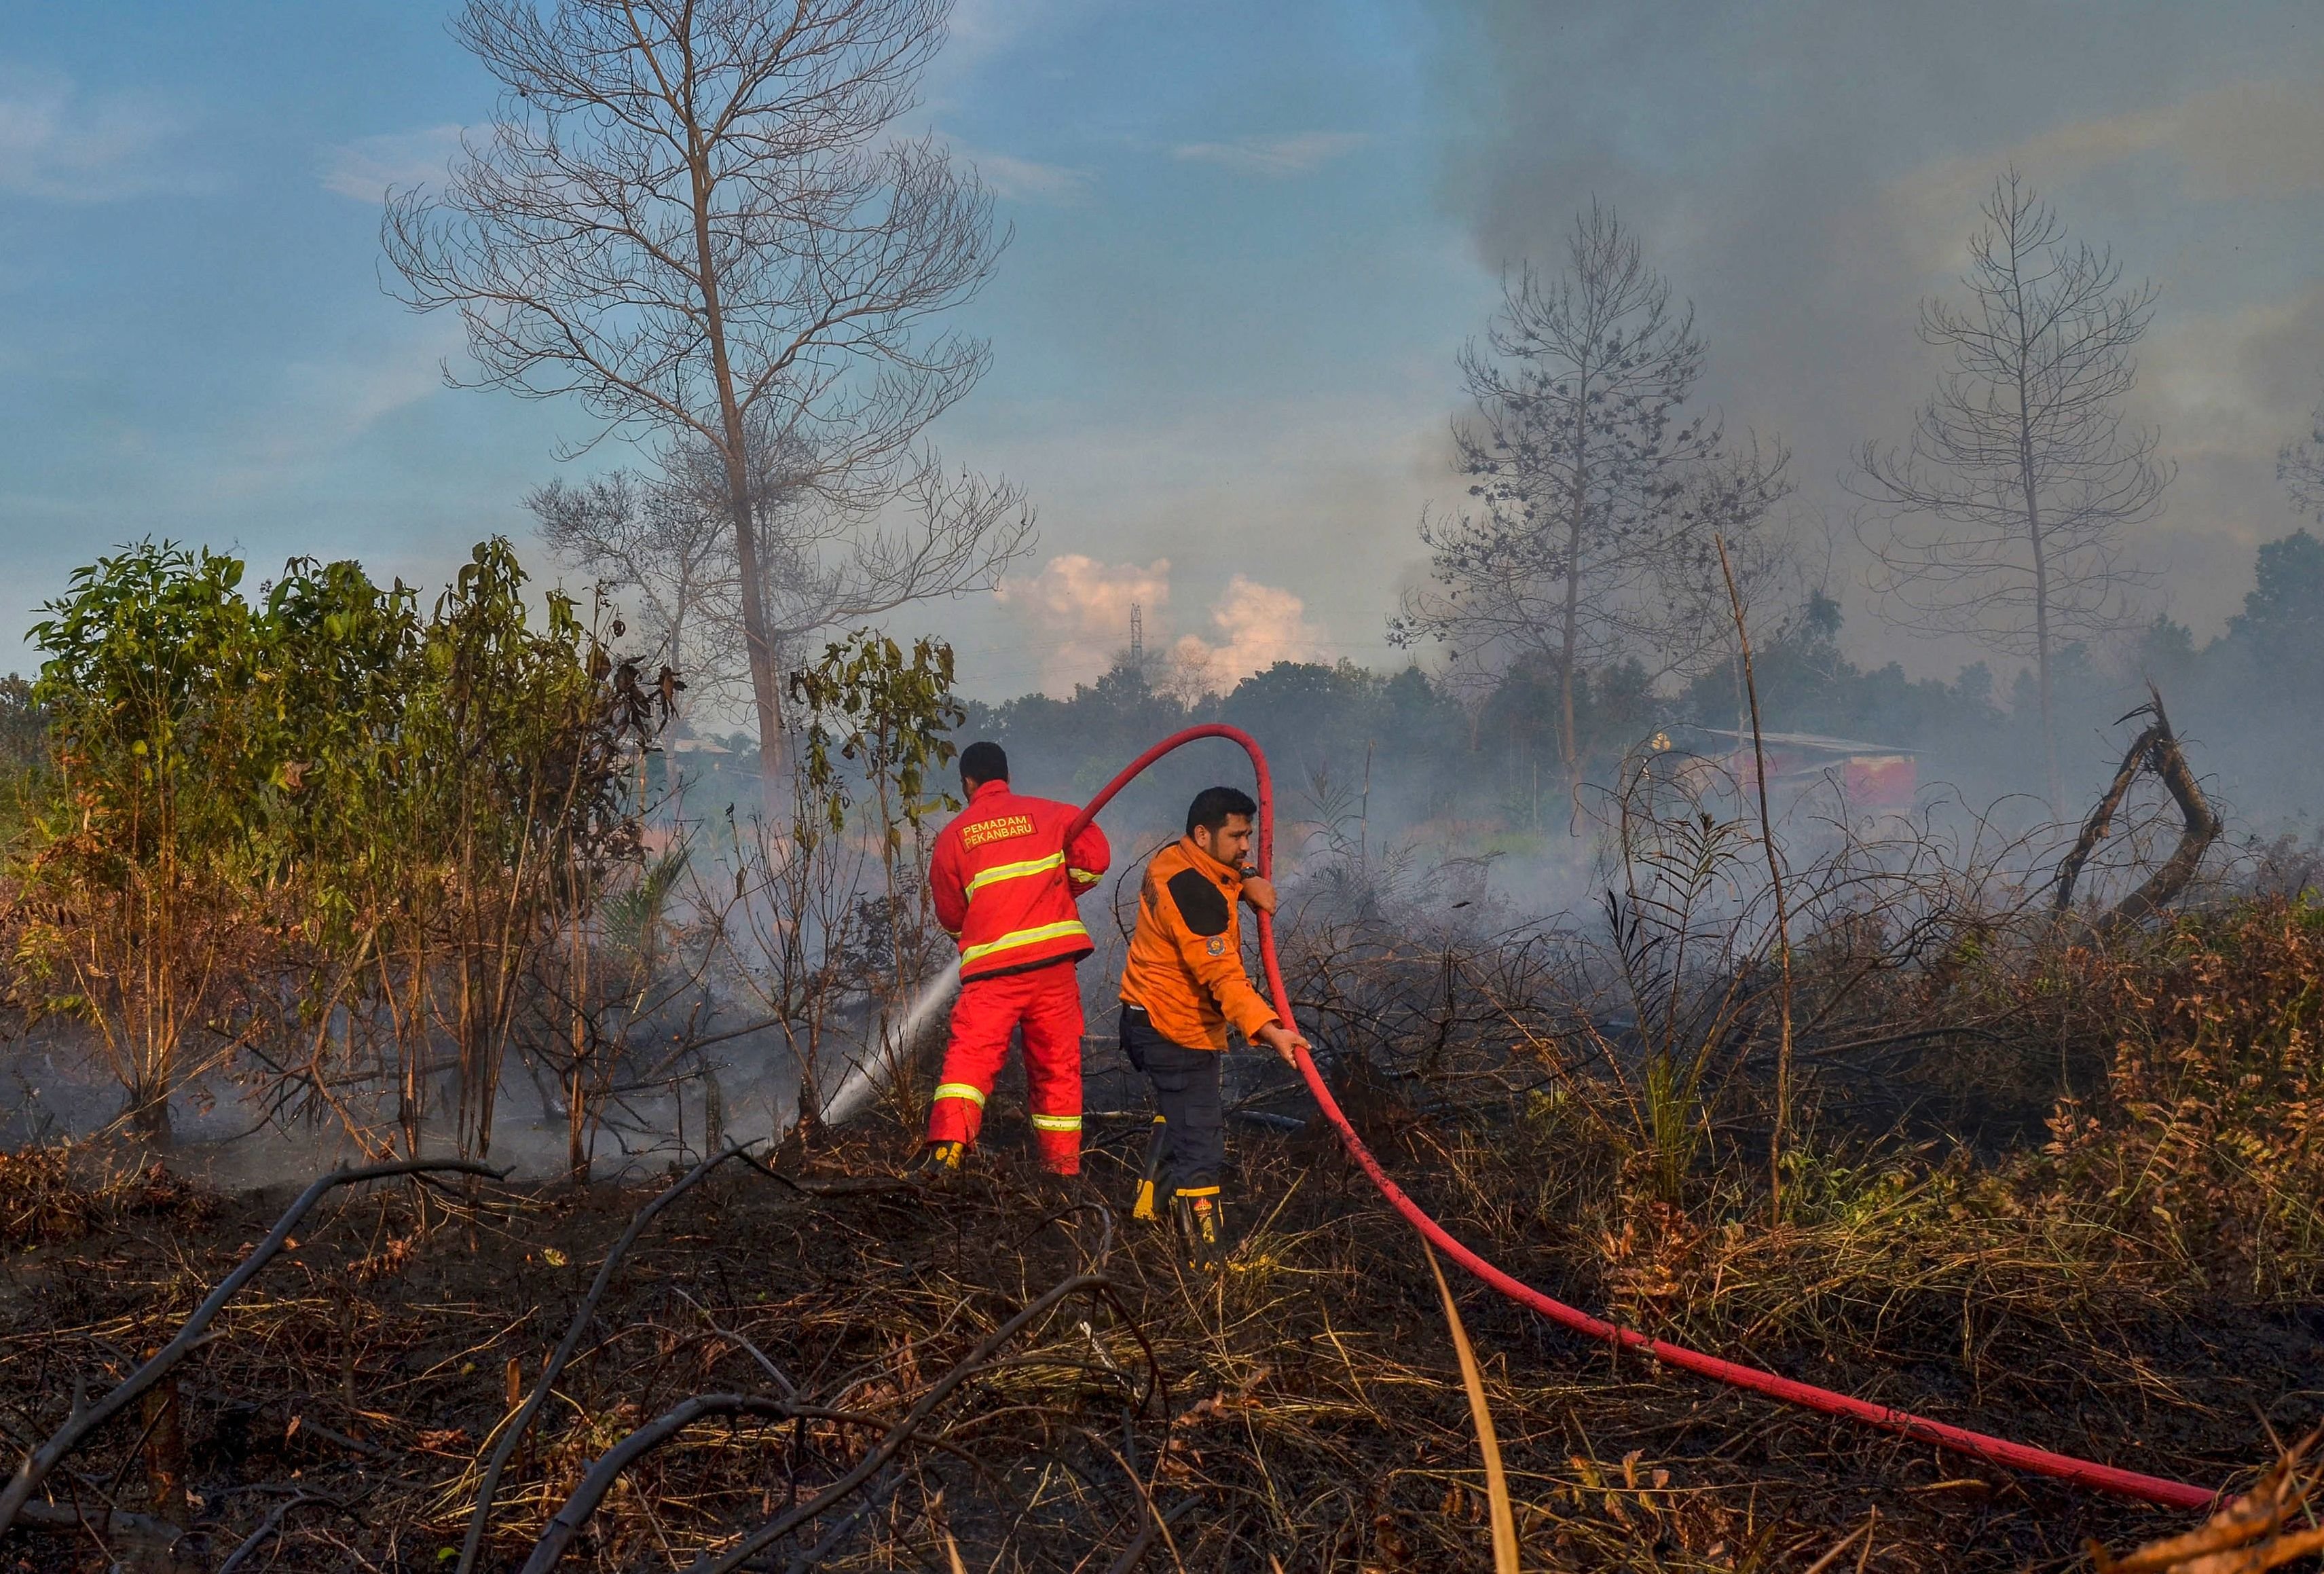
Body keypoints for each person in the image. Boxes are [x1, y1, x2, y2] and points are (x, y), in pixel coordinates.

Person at [1117, 785, 1310, 1266]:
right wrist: (1271, 1031)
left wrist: (1244, 877)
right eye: (1237, 836)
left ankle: (1148, 1208)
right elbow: (1223, 979)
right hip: (1172, 1031)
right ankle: (1209, 1261)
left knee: (1177, 1115)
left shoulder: (1174, 859)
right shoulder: (1194, 894)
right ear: (1203, 834)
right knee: (1201, 1139)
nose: (1247, 846)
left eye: (1249, 835)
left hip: (1143, 1020)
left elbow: (1218, 872)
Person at [912, 741, 1111, 1179]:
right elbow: (1095, 859)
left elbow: (950, 915)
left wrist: (986, 923)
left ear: (967, 782)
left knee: (970, 1059)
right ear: (1007, 775)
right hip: (1053, 967)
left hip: (993, 975)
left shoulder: (953, 837)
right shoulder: (1052, 813)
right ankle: (1061, 1173)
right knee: (1057, 1068)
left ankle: (946, 1153)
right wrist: (1056, 892)